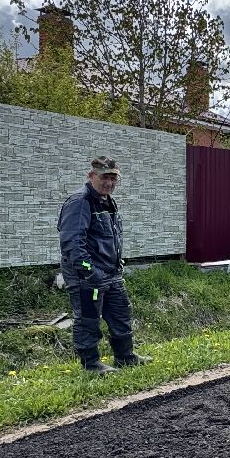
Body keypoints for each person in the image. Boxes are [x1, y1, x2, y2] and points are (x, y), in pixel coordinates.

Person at [57, 157, 152, 374]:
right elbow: (72, 244)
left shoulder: (106, 200)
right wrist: (89, 272)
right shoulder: (80, 202)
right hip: (88, 276)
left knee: (121, 314)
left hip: (111, 273)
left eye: (113, 178)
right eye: (104, 177)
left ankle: (125, 356)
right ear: (91, 176)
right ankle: (91, 365)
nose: (109, 183)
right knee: (88, 320)